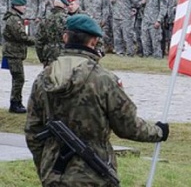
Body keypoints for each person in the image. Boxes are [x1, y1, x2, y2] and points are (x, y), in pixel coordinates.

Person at [25, 15, 169, 186]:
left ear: (65, 37)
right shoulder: (103, 79)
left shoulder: (43, 78)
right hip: (93, 175)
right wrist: (158, 132)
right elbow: (128, 126)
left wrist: (45, 165)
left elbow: (33, 131)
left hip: (54, 173)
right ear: (93, 42)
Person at [4, 0, 36, 113]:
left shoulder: (15, 18)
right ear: (16, 6)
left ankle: (17, 102)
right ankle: (15, 104)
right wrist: (35, 41)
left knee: (18, 78)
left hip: (14, 52)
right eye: (23, 5)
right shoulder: (14, 19)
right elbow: (21, 36)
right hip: (13, 52)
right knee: (19, 79)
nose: (24, 8)